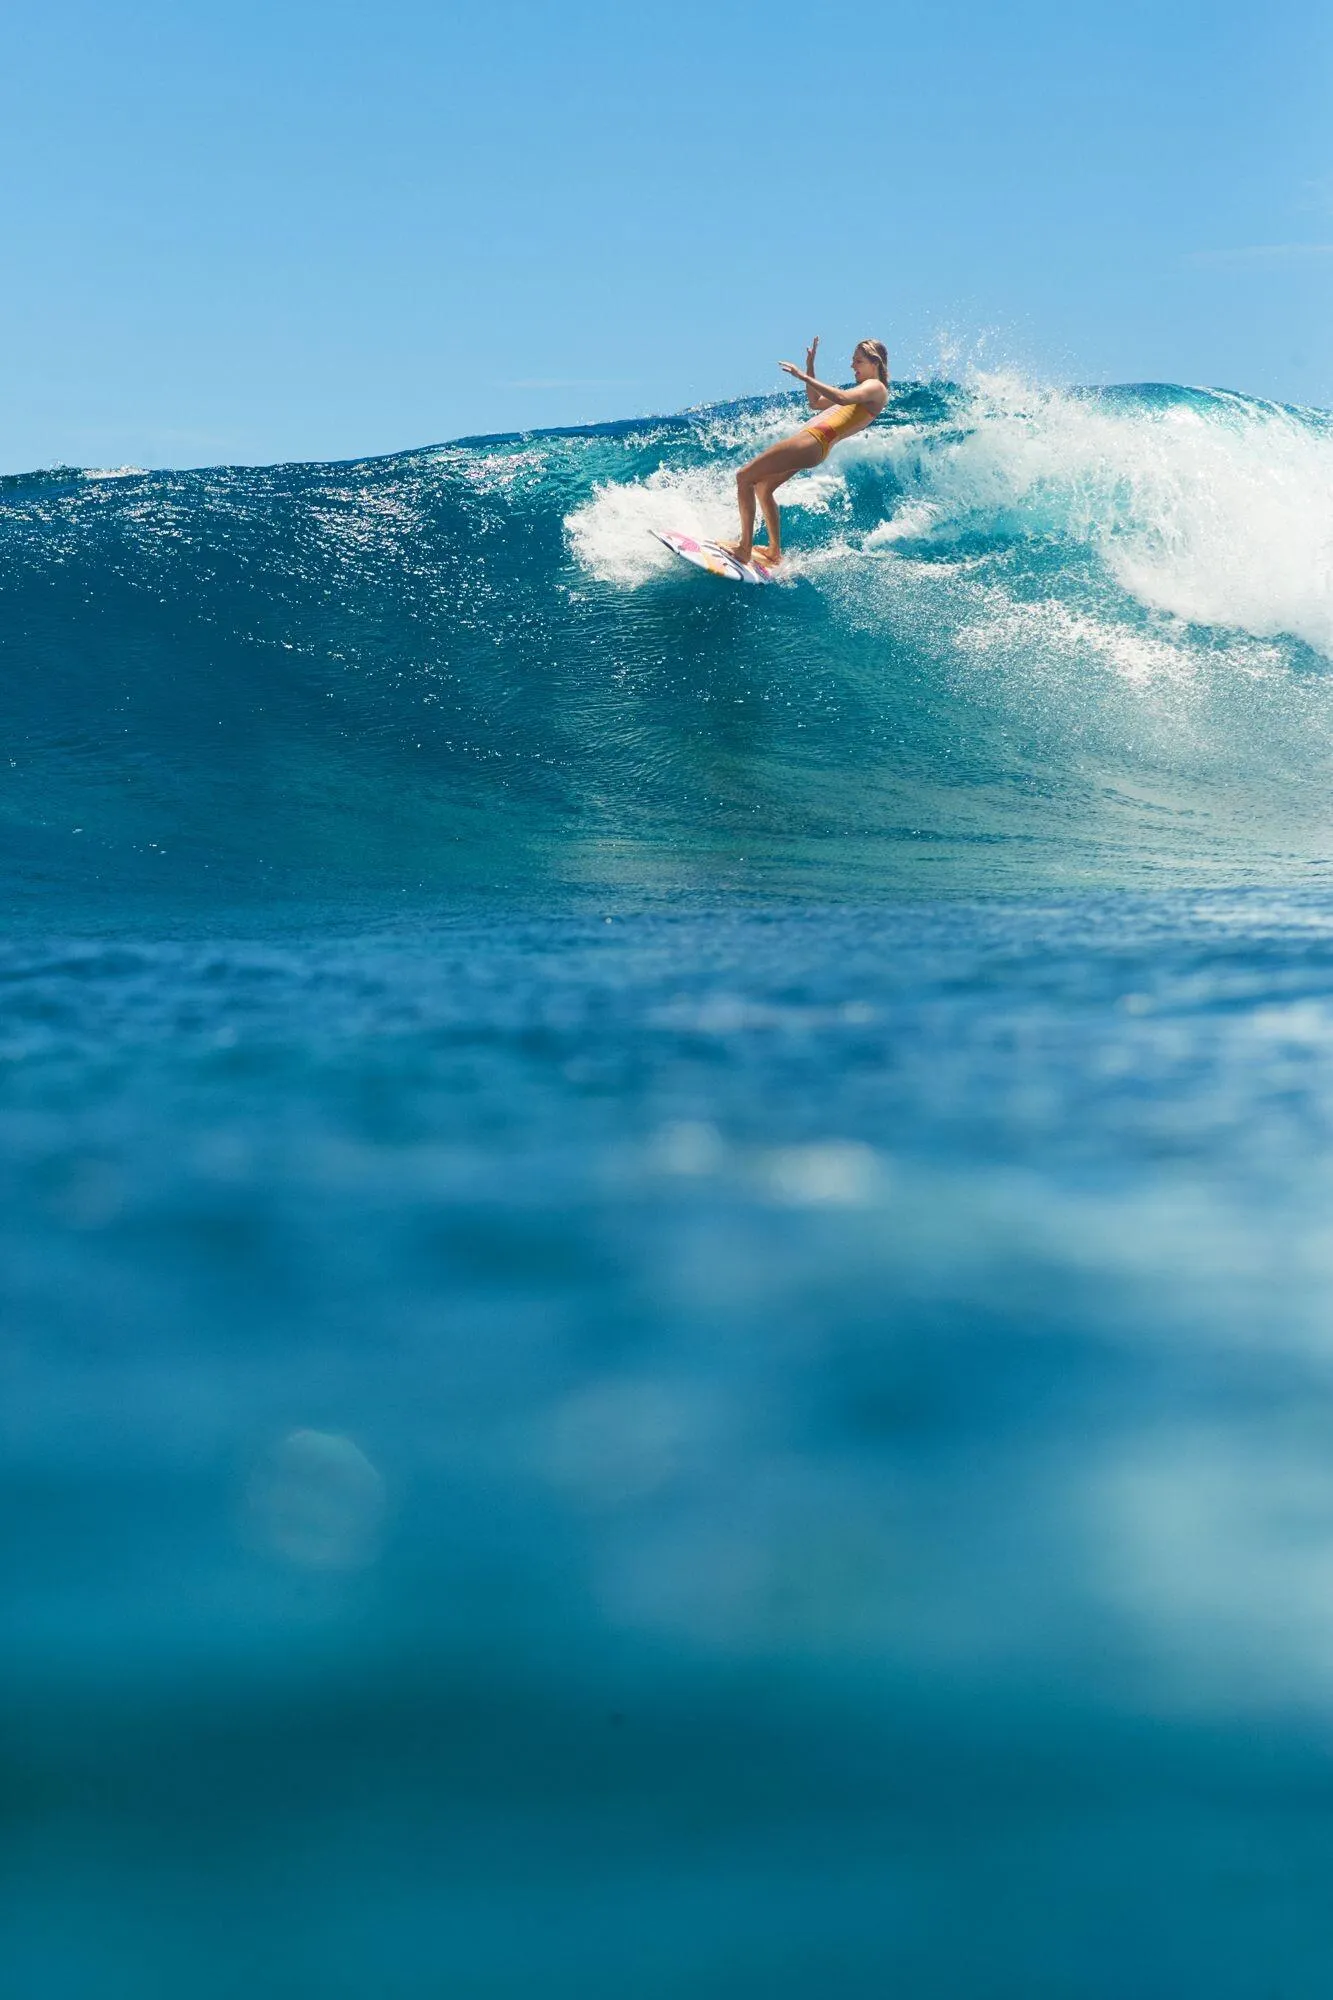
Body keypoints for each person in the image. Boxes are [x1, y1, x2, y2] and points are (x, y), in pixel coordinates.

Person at [719, 336, 890, 569]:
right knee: (763, 487)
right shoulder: (864, 392)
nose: (852, 365)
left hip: (813, 441)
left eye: (857, 361)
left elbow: (841, 397)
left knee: (744, 477)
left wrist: (803, 375)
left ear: (875, 362)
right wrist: (811, 366)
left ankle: (744, 549)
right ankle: (773, 552)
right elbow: (815, 402)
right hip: (814, 446)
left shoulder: (875, 387)